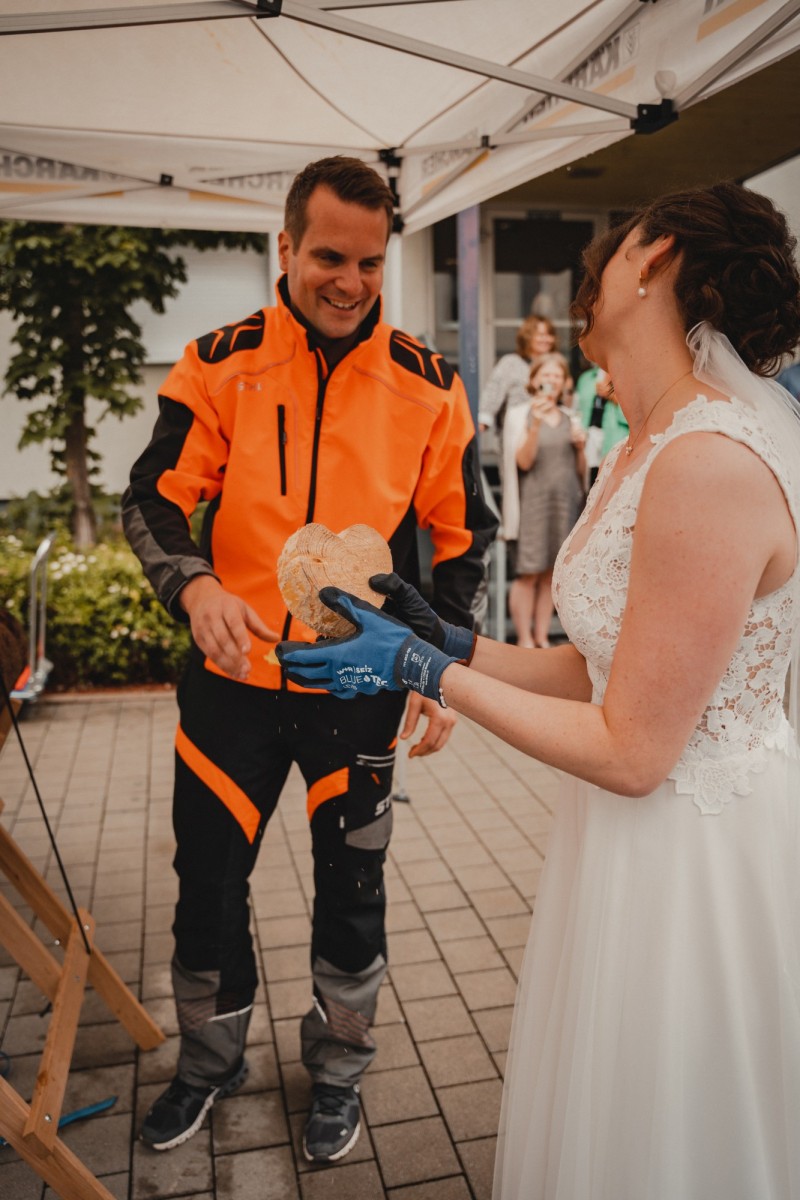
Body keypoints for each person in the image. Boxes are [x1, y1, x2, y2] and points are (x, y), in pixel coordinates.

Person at [277, 179, 800, 1198]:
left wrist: (422, 672)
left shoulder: (707, 462)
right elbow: (602, 667)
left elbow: (634, 751)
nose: (586, 277)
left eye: (613, 249)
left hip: (693, 855)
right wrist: (450, 639)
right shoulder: (646, 443)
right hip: (624, 836)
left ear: (651, 258)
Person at [122, 156, 497, 1163]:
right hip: (231, 687)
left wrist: (437, 671)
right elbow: (153, 497)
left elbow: (463, 539)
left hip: (360, 687)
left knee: (353, 893)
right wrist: (194, 586)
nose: (350, 282)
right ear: (285, 247)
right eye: (329, 257)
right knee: (206, 885)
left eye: (370, 263)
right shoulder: (217, 362)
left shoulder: (430, 384)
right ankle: (209, 1061)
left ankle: (338, 1071)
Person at [502, 353, 585, 648]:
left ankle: (541, 636)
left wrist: (581, 447)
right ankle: (525, 638)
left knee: (552, 574)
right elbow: (523, 463)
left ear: (564, 382)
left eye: (557, 375)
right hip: (532, 505)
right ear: (534, 380)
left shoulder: (571, 417)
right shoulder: (519, 415)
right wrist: (536, 424)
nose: (551, 380)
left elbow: (581, 472)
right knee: (528, 573)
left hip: (564, 504)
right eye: (546, 375)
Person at [477, 314, 556, 434]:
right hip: (516, 431)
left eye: (549, 335)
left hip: (549, 432)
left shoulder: (555, 364)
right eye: (541, 335)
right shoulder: (511, 363)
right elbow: (493, 392)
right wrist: (483, 421)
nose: (546, 339)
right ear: (527, 337)